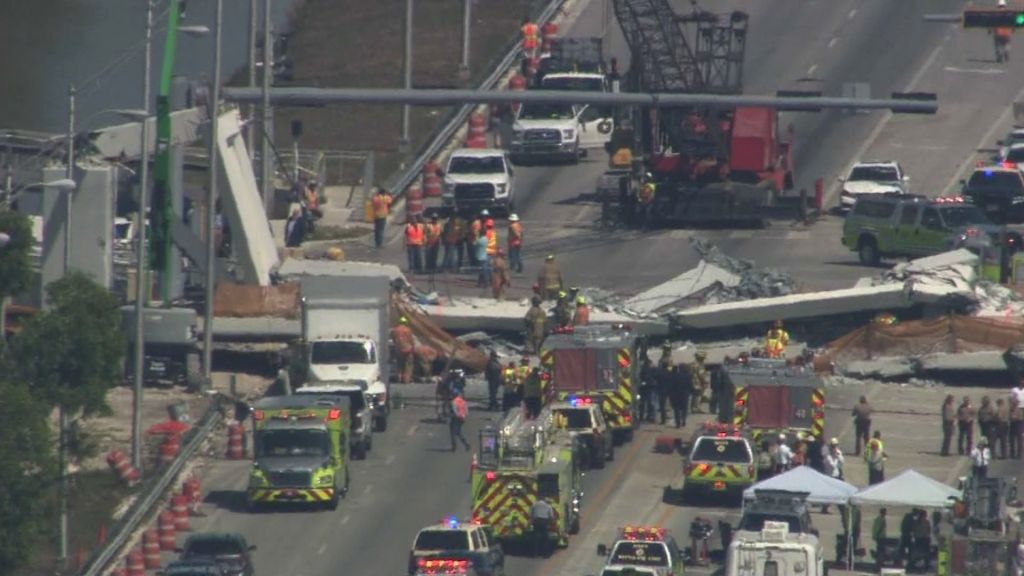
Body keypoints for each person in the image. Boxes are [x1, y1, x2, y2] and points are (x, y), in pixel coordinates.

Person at [390, 316, 415, 384]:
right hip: (408, 349)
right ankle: (406, 380)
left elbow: (393, 339)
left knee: (399, 365)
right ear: (405, 322)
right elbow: (411, 340)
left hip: (398, 350)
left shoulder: (394, 330)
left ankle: (398, 378)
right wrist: (413, 348)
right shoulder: (408, 330)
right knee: (408, 365)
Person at [668, 364, 692, 428]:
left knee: (677, 409)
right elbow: (690, 385)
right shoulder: (688, 376)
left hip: (676, 394)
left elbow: (671, 386)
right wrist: (690, 392)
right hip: (685, 394)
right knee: (684, 408)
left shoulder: (675, 376)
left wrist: (671, 394)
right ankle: (683, 420)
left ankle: (678, 422)